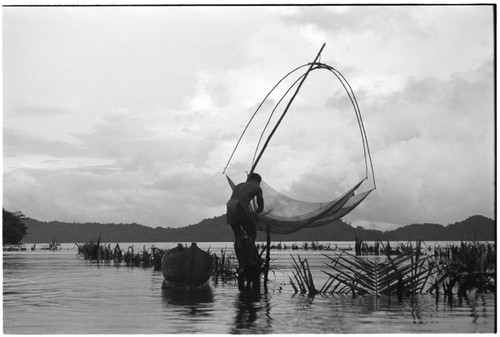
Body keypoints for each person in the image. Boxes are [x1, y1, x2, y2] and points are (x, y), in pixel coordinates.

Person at [226, 173, 264, 243]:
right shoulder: (257, 187)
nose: (259, 185)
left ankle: (239, 250)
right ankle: (250, 251)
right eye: (259, 183)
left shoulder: (238, 186)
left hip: (229, 206)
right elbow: (261, 207)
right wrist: (254, 215)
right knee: (252, 234)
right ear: (256, 181)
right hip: (239, 206)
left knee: (238, 236)